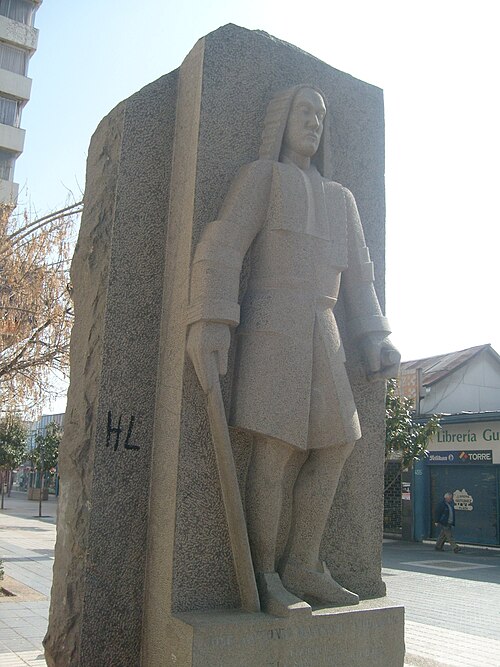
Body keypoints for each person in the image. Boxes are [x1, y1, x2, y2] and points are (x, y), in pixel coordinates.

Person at [186, 84, 400, 616]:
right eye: (305, 112)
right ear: (281, 118)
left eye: (321, 116)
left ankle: (302, 562)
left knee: (337, 443)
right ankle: (263, 574)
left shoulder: (341, 198)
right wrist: (210, 320)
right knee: (275, 451)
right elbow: (224, 243)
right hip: (271, 321)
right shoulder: (263, 178)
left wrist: (374, 336)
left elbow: (360, 281)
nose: (314, 123)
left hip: (323, 326)